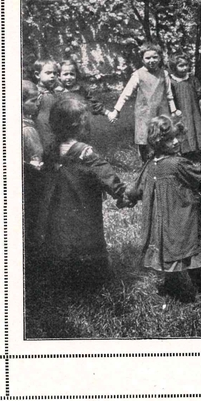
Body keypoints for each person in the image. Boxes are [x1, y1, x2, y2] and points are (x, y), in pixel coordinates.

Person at [125, 116, 201, 302]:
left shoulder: (150, 164)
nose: (177, 141)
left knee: (168, 251)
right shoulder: (177, 163)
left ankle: (174, 285)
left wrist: (128, 197)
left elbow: (138, 187)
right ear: (158, 142)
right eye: (170, 139)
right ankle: (199, 290)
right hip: (182, 218)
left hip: (162, 222)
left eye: (177, 137)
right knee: (189, 250)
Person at [38, 97, 130, 289]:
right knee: (88, 238)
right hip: (83, 207)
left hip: (58, 206)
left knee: (60, 237)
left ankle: (62, 277)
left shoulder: (51, 149)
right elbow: (105, 173)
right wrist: (122, 193)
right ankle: (91, 279)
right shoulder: (85, 152)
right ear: (78, 125)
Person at [107, 43, 179, 162]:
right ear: (142, 59)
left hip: (161, 111)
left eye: (155, 57)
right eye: (148, 58)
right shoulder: (138, 75)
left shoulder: (164, 74)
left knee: (163, 133)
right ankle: (146, 163)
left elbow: (169, 94)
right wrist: (116, 110)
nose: (152, 60)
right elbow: (126, 93)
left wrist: (174, 110)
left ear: (160, 58)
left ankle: (164, 160)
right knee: (144, 137)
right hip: (144, 113)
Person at [166, 55, 201, 160]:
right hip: (180, 111)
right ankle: (184, 152)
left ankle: (199, 150)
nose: (185, 68)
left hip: (194, 111)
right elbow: (169, 98)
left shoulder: (192, 80)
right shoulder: (171, 82)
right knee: (183, 129)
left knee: (197, 127)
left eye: (186, 65)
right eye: (181, 65)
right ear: (174, 67)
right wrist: (173, 110)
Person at [22, 80, 44, 267]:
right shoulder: (28, 130)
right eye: (33, 101)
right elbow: (38, 159)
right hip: (32, 181)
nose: (38, 104)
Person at [32, 59, 60, 149]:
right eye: (48, 73)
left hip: (55, 132)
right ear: (37, 75)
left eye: (55, 73)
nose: (52, 76)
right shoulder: (36, 93)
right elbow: (40, 119)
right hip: (43, 135)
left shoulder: (54, 93)